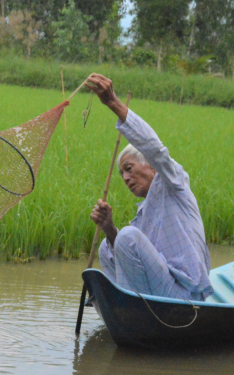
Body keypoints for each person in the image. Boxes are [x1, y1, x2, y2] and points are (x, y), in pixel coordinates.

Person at [85, 74, 213, 301]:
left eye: (129, 168)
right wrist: (108, 227)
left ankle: (128, 305)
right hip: (159, 290)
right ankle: (128, 307)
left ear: (151, 166)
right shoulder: (143, 215)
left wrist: (113, 103)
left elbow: (155, 149)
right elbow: (133, 263)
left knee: (128, 236)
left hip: (185, 292)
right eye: (121, 173)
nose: (125, 178)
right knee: (108, 244)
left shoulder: (174, 183)